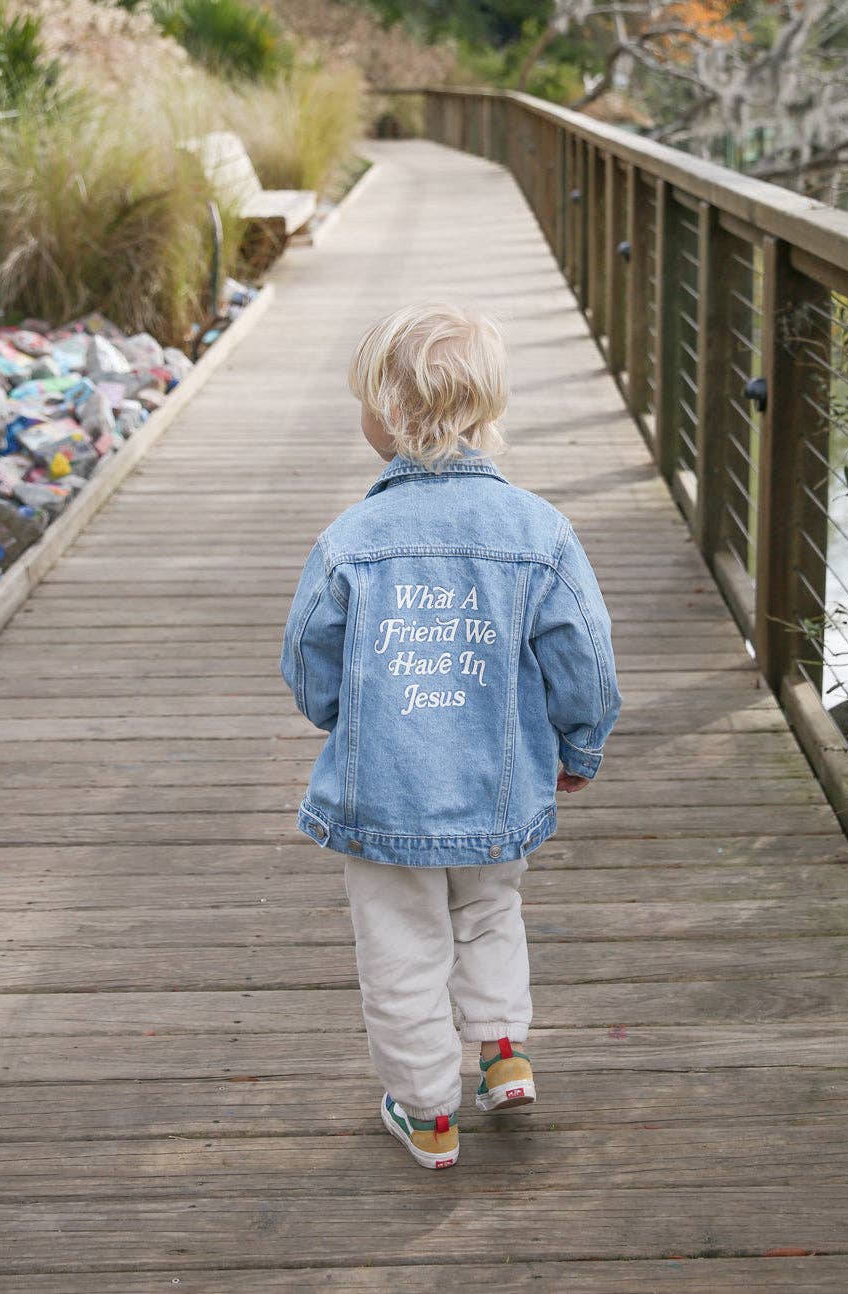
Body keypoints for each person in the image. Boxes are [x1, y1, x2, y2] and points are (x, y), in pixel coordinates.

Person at [281, 303, 621, 1170]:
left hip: (385, 795)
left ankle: (429, 1112)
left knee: (401, 949)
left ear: (389, 418)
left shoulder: (350, 540)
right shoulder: (539, 532)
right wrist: (578, 748)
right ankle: (502, 1051)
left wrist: (342, 715)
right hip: (499, 786)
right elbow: (585, 655)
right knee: (489, 907)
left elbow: (309, 661)